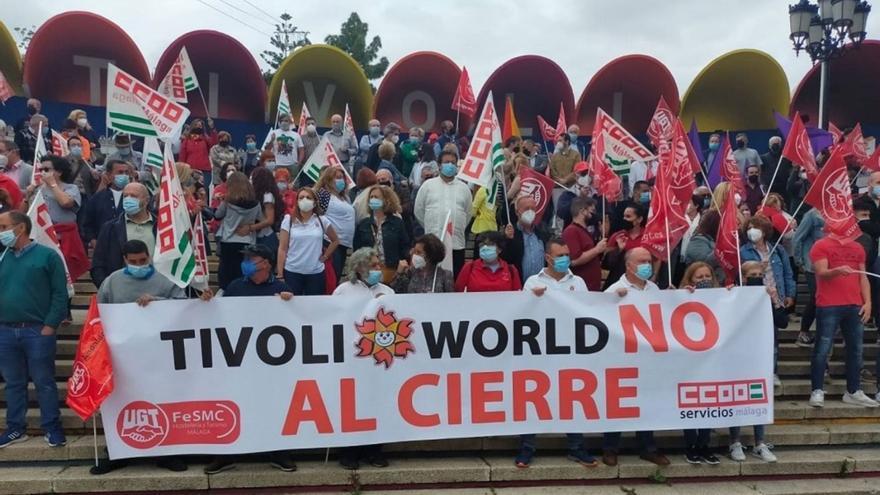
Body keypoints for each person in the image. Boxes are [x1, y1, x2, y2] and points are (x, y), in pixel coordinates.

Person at [201, 244, 297, 475]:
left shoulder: (281, 288)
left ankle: (279, 452)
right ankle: (225, 455)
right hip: (239, 360)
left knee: (275, 406)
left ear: (266, 263)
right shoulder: (234, 287)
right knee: (233, 405)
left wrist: (290, 302)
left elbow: (294, 322)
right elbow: (218, 315)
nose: (246, 263)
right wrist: (207, 301)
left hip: (271, 363)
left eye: (252, 259)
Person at [515, 237, 594, 468]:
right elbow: (521, 315)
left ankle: (577, 447)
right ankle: (527, 448)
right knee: (532, 400)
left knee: (573, 398)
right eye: (559, 255)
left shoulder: (578, 282)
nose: (565, 259)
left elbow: (589, 310)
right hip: (539, 350)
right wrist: (533, 300)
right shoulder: (532, 282)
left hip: (571, 348)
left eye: (567, 254)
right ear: (548, 258)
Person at [0, 211, 68, 448]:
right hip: (5, 331)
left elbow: (60, 294)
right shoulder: (2, 257)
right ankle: (15, 428)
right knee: (13, 382)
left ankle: (52, 427)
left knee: (44, 381)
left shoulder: (47, 256)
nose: (1, 231)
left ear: (20, 228)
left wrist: (50, 325)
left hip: (37, 330)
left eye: (3, 226)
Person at [602, 247, 668, 466]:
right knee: (619, 404)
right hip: (621, 358)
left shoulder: (654, 288)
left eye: (648, 261)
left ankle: (648, 447)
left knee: (646, 403)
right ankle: (610, 448)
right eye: (641, 261)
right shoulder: (615, 289)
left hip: (648, 358)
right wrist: (612, 300)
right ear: (629, 265)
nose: (647, 265)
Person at [808, 225, 878, 408]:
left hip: (854, 304)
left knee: (856, 349)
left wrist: (868, 302)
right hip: (828, 304)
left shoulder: (858, 248)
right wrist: (838, 270)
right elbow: (821, 272)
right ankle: (817, 389)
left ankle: (854, 390)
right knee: (822, 348)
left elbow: (863, 277)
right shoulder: (820, 245)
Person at [730, 261, 779, 463]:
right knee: (736, 397)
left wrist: (774, 300)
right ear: (743, 276)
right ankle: (735, 442)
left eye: (760, 273)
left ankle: (760, 443)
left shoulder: (765, 296)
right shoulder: (732, 296)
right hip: (736, 356)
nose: (756, 277)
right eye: (752, 274)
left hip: (759, 356)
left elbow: (782, 321)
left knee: (758, 399)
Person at [740, 215, 795, 387]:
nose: (751, 231)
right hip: (753, 299)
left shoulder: (777, 250)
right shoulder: (743, 251)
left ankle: (772, 372)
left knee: (773, 337)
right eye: (748, 228)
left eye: (755, 227)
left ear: (764, 230)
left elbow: (787, 273)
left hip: (774, 297)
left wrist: (789, 294)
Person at [678, 262, 723, 465]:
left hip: (711, 360)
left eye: (707, 276)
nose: (704, 280)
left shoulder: (722, 297)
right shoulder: (681, 297)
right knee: (690, 404)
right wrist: (680, 295)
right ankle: (691, 445)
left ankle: (704, 445)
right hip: (688, 361)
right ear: (690, 280)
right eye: (699, 277)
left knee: (708, 403)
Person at [25, 155, 90, 282]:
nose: (43, 172)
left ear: (59, 172)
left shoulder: (71, 188)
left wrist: (53, 185)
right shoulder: (37, 189)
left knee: (63, 277)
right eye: (41, 169)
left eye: (47, 169)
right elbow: (24, 213)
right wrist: (28, 195)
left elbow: (66, 202)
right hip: (40, 237)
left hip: (63, 239)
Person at [413, 150, 472, 277]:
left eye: (453, 163)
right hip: (432, 244)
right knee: (431, 279)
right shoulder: (428, 186)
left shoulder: (464, 188)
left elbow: (468, 213)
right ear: (439, 165)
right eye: (446, 162)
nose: (450, 165)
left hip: (456, 244)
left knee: (455, 279)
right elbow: (418, 211)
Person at [91, 182, 155, 288]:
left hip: (156, 288)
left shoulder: (160, 225)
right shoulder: (110, 228)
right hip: (121, 290)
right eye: (125, 196)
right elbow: (98, 264)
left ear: (147, 200)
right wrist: (108, 288)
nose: (128, 199)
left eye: (134, 196)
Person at [277, 188, 339, 295]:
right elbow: (282, 248)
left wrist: (325, 256)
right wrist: (280, 274)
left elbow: (335, 240)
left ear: (314, 202)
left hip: (316, 272)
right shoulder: (288, 220)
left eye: (308, 197)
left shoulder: (321, 220)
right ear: (297, 201)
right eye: (301, 198)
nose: (304, 200)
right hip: (292, 271)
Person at [214, 172, 264, 290]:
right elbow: (260, 219)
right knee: (244, 272)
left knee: (227, 272)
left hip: (228, 240)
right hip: (247, 241)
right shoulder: (255, 203)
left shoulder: (227, 202)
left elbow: (217, 215)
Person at [353, 184, 411, 283]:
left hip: (392, 271)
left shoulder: (397, 222)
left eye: (376, 197)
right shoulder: (364, 224)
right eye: (371, 197)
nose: (373, 199)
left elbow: (404, 247)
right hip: (369, 272)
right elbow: (357, 249)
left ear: (386, 200)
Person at [315, 166, 356, 278]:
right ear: (328, 179)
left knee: (336, 276)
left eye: (342, 177)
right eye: (337, 177)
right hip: (329, 242)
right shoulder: (324, 194)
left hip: (343, 244)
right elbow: (316, 215)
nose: (341, 180)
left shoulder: (345, 198)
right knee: (331, 276)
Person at [793, 207, 824, 347]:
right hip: (812, 263)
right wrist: (799, 260)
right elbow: (798, 237)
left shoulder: (839, 213)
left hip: (833, 263)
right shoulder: (812, 215)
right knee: (816, 295)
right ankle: (804, 331)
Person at [82, 160, 132, 247]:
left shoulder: (135, 196)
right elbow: (88, 224)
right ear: (109, 175)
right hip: (104, 247)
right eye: (120, 172)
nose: (124, 175)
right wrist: (93, 241)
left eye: (126, 173)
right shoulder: (97, 198)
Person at [562, 196, 607, 291]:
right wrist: (596, 250)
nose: (593, 215)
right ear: (582, 211)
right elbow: (574, 260)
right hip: (582, 289)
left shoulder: (584, 231)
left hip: (591, 287)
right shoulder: (571, 231)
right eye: (592, 211)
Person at [455, 231, 522, 292]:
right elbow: (457, 293)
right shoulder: (469, 267)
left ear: (500, 249)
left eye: (490, 244)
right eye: (482, 245)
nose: (485, 248)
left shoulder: (511, 270)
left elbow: (517, 296)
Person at [503, 196, 550, 282]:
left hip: (542, 285)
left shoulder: (543, 232)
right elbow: (505, 260)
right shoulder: (510, 233)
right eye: (526, 209)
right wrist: (507, 240)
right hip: (519, 287)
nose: (530, 212)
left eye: (533, 209)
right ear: (517, 212)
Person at [603, 203, 647, 290]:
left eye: (628, 216)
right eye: (624, 216)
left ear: (639, 219)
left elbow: (655, 259)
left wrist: (654, 276)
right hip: (619, 281)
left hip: (642, 280)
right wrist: (619, 250)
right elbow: (607, 262)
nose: (624, 219)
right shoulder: (618, 236)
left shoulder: (648, 236)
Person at [683, 210, 727, 284]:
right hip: (702, 285)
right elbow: (704, 262)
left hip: (720, 284)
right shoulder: (698, 240)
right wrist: (722, 248)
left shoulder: (716, 240)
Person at [251, 167, 283, 254]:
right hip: (258, 236)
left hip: (266, 237)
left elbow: (269, 220)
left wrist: (251, 228)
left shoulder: (267, 196)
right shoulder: (259, 196)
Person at [179, 119, 217, 185]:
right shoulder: (186, 140)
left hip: (205, 171)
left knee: (203, 190)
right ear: (192, 126)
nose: (198, 126)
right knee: (190, 190)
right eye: (196, 125)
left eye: (200, 125)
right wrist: (181, 169)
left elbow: (214, 143)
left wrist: (212, 128)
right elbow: (182, 156)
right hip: (190, 170)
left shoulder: (205, 138)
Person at [760, 136, 792, 200]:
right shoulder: (763, 157)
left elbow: (790, 170)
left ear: (780, 145)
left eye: (777, 143)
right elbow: (761, 172)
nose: (775, 145)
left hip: (784, 187)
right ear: (769, 145)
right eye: (773, 143)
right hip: (770, 187)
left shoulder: (786, 158)